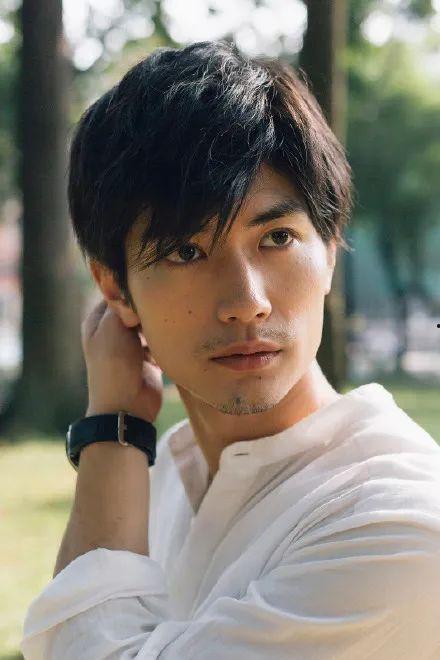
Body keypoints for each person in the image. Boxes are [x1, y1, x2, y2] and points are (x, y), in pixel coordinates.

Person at [21, 40, 440, 659]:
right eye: (185, 251)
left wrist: (110, 432)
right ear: (114, 289)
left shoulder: (399, 526)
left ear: (329, 252)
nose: (247, 302)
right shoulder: (161, 477)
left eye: (277, 237)